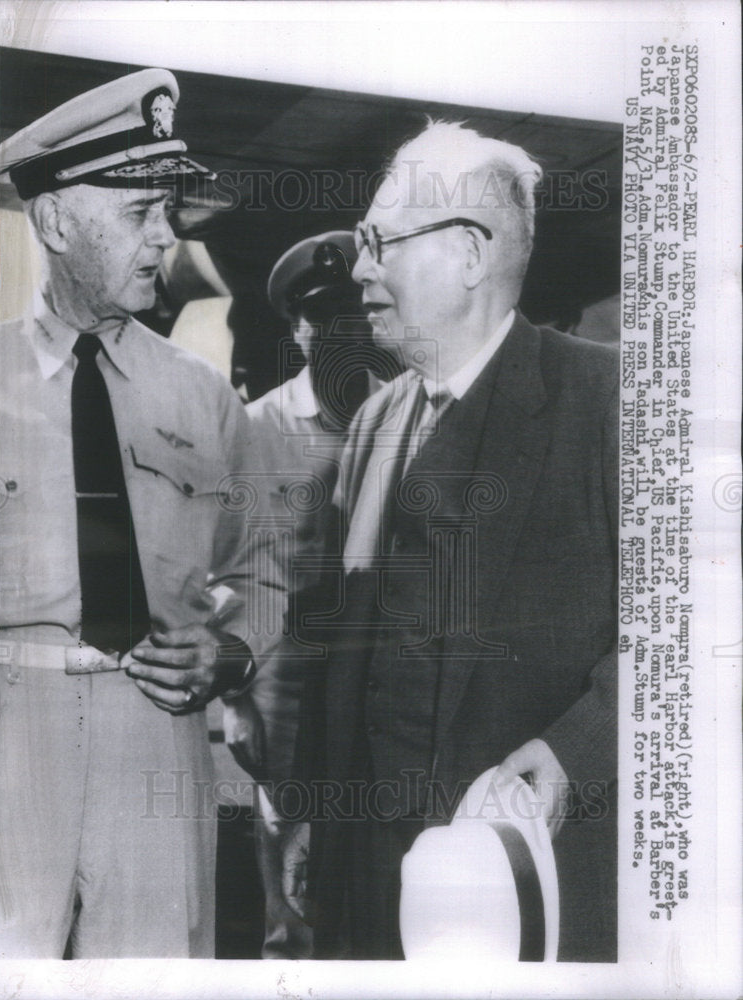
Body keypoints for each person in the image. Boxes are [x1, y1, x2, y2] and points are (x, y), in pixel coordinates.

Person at [303, 121, 618, 961]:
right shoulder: (374, 422)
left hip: (527, 888)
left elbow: (701, 636)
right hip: (370, 883)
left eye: (379, 242)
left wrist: (574, 750)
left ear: (471, 255)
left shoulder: (611, 404)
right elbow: (339, 644)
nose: (359, 267)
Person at [0, 69, 284, 958]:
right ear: (54, 223)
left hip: (154, 727)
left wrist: (229, 652)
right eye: (137, 213)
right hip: (4, 731)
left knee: (154, 972)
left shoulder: (203, 398)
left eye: (169, 212)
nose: (165, 238)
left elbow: (266, 570)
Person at [237, 231, 383, 957]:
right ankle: (285, 956)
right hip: (286, 677)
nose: (340, 336)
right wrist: (239, 701)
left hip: (372, 669)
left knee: (363, 844)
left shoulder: (404, 415)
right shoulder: (258, 428)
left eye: (353, 319)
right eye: (324, 322)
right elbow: (230, 572)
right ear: (299, 329)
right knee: (286, 846)